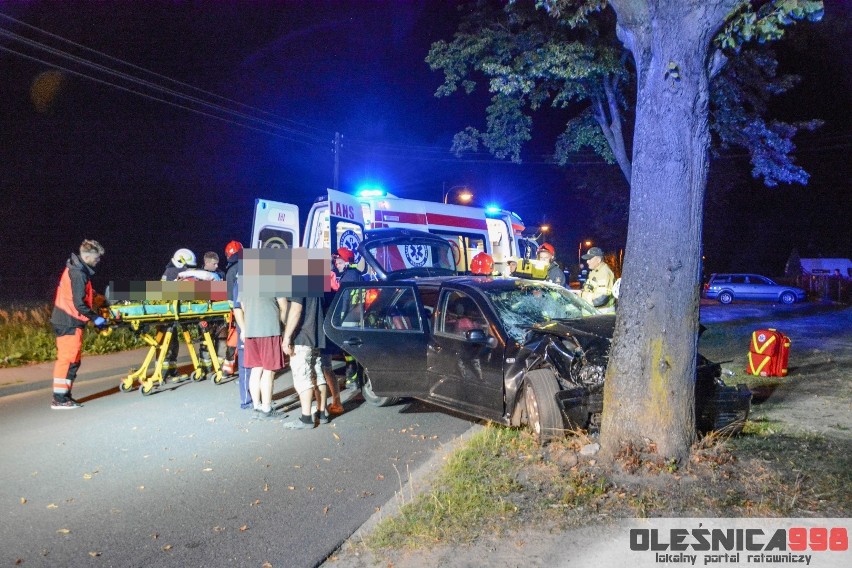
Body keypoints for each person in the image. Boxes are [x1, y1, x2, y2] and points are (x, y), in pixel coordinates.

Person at [50, 239, 106, 409]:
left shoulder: (77, 269)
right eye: (97, 258)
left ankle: (64, 396)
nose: (98, 261)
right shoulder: (78, 273)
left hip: (68, 320)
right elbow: (79, 304)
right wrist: (96, 318)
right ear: (87, 256)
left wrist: (98, 299)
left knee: (73, 360)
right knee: (68, 360)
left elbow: (83, 294)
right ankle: (59, 399)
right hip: (69, 321)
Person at [233, 282, 289, 419]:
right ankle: (267, 408)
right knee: (269, 371)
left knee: (256, 369)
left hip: (251, 332)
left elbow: (242, 308)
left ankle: (257, 405)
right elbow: (284, 306)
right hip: (269, 330)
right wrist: (284, 327)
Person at [281, 295, 329, 429]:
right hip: (316, 336)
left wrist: (287, 337)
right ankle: (322, 412)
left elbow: (296, 310)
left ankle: (306, 418)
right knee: (317, 374)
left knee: (303, 377)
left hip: (302, 337)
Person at [160, 248, 197, 379]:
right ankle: (165, 373)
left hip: (166, 312)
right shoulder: (174, 271)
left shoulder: (169, 270)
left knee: (172, 342)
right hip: (169, 312)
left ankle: (170, 371)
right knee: (169, 343)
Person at [580, 246, 616, 313]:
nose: (587, 261)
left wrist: (582, 297)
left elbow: (600, 299)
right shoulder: (594, 271)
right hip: (595, 313)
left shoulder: (604, 273)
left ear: (598, 260)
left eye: (590, 259)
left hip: (602, 314)